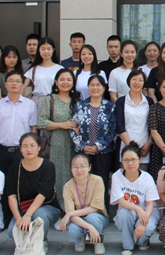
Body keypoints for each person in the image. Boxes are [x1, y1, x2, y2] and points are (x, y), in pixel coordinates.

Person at [0, 70, 38, 227]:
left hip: (21, 152)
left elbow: (33, 129)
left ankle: (21, 217)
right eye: (11, 81)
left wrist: (32, 151)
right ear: (5, 85)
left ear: (22, 85)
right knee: (2, 185)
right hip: (2, 151)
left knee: (21, 184)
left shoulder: (30, 104)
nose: (14, 84)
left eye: (18, 81)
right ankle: (5, 218)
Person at [6, 133, 63, 251]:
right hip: (23, 208)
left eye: (32, 146)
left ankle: (42, 241)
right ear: (20, 149)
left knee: (39, 217)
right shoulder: (14, 168)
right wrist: (18, 218)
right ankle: (30, 239)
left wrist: (28, 216)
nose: (29, 149)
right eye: (25, 146)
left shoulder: (48, 166)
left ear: (39, 147)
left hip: (47, 207)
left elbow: (43, 194)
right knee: (12, 231)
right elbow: (11, 195)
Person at [71, 74, 116, 206]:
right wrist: (83, 145)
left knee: (101, 182)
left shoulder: (110, 107)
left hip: (103, 153)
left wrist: (98, 146)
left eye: (98, 85)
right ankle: (82, 210)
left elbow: (113, 130)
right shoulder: (80, 105)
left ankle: (101, 211)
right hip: (83, 152)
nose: (95, 88)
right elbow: (73, 127)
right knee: (83, 183)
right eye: (92, 85)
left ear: (104, 88)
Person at [36, 69, 79, 206]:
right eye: (62, 79)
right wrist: (63, 125)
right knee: (57, 175)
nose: (65, 82)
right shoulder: (49, 99)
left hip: (74, 145)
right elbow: (41, 122)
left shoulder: (78, 100)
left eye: (69, 80)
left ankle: (72, 207)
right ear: (56, 82)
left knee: (73, 175)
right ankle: (57, 207)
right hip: (55, 145)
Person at [111, 142, 160, 255]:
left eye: (133, 159)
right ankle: (127, 246)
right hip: (129, 211)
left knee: (147, 227)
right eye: (126, 160)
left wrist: (142, 223)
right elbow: (121, 201)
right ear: (122, 161)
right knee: (123, 213)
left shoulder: (147, 178)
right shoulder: (116, 176)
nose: (130, 163)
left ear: (140, 160)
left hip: (148, 212)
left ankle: (143, 241)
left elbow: (150, 204)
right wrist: (137, 209)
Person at [60, 154, 108, 255]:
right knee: (72, 229)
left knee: (92, 218)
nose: (79, 170)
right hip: (77, 219)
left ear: (89, 167)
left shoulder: (97, 180)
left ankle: (98, 241)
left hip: (97, 217)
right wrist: (90, 227)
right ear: (71, 169)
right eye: (75, 167)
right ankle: (79, 239)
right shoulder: (68, 186)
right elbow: (71, 216)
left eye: (83, 166)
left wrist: (70, 213)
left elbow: (95, 208)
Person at [115, 70, 153, 172]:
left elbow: (153, 125)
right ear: (129, 81)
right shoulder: (121, 101)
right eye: (134, 79)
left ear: (144, 83)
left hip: (144, 149)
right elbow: (119, 126)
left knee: (143, 177)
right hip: (126, 147)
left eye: (140, 80)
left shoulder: (149, 101)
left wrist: (149, 143)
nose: (137, 82)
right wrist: (131, 147)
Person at [23, 37, 63, 110]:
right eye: (43, 49)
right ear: (39, 50)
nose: (46, 52)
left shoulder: (60, 69)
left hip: (54, 101)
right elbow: (23, 87)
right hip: (37, 102)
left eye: (48, 49)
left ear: (53, 50)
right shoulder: (33, 69)